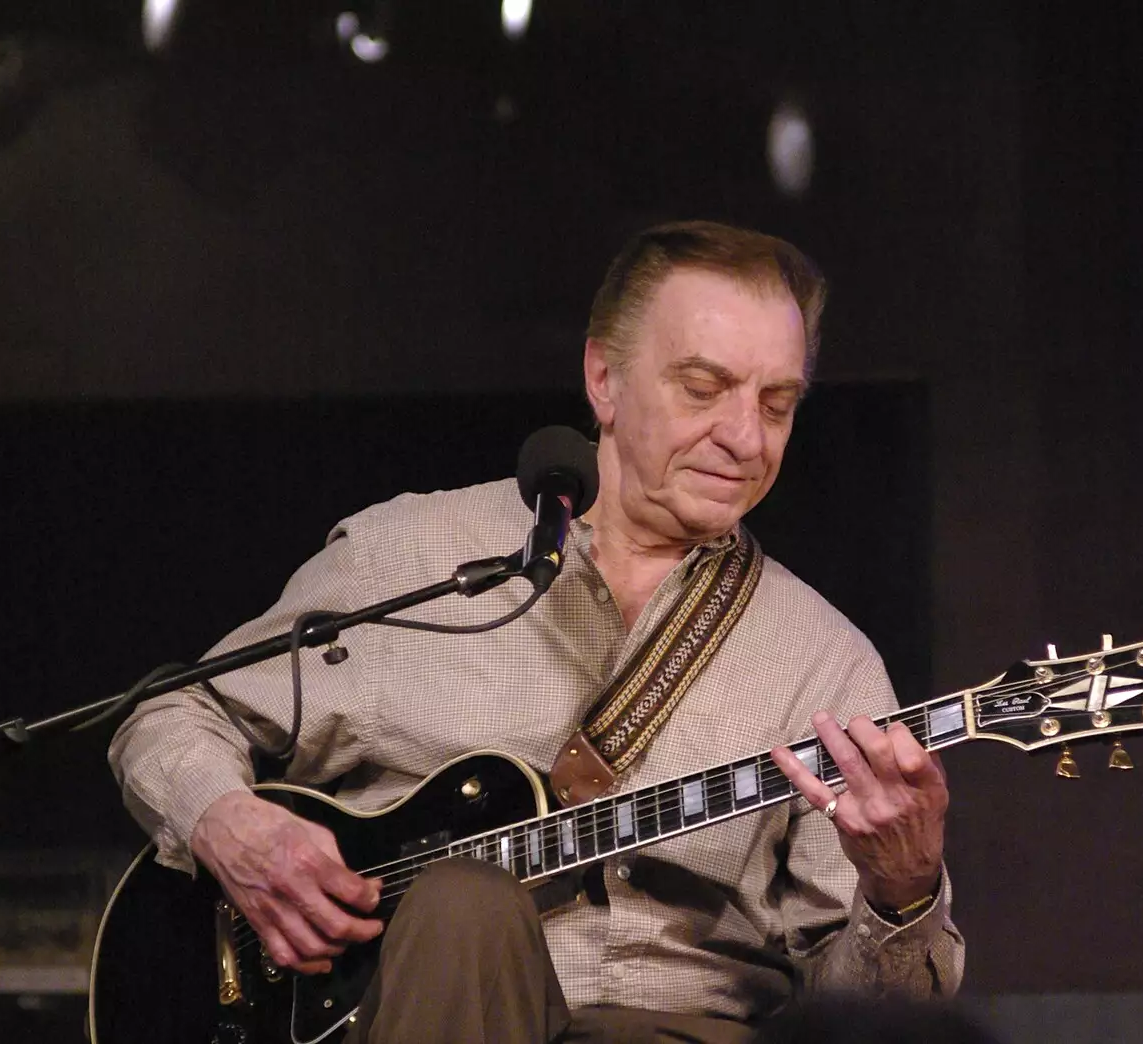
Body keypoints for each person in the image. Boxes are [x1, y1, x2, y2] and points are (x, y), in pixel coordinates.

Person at [110, 220, 963, 1043]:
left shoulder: (825, 662)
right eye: (702, 389)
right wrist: (227, 821)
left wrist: (902, 892)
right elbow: (173, 714)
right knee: (463, 904)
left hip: (673, 1028)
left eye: (776, 404)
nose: (744, 437)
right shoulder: (411, 554)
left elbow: (868, 1024)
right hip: (391, 1014)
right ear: (603, 378)